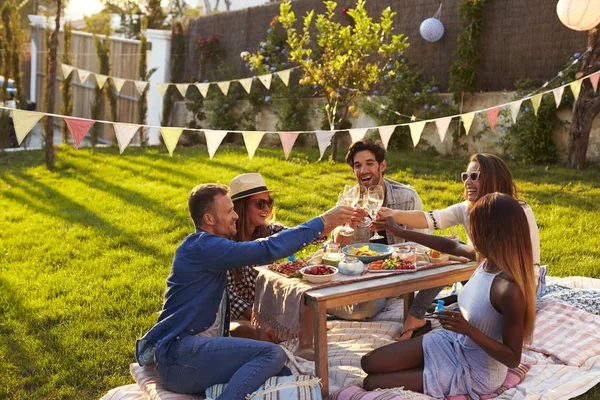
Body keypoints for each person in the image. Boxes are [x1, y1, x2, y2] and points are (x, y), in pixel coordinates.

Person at [135, 183, 360, 399]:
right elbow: (267, 248)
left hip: (191, 358)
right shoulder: (202, 246)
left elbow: (282, 239)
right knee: (273, 354)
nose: (235, 216)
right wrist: (323, 220)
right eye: (230, 211)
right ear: (209, 219)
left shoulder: (208, 246)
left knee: (283, 372)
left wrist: (329, 226)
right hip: (180, 358)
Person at [361, 193, 537, 399]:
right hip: (454, 342)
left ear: (493, 234)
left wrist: (468, 330)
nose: (471, 232)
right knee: (369, 362)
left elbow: (512, 358)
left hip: (477, 372)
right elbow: (450, 245)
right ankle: (426, 367)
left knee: (371, 383)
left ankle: (428, 371)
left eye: (476, 227)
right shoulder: (486, 258)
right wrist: (398, 230)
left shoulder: (509, 289)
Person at [377, 153, 541, 341]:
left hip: (518, 284)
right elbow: (432, 220)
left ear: (493, 178)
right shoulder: (468, 208)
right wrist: (394, 217)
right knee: (446, 252)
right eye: (465, 176)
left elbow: (526, 268)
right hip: (484, 272)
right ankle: (419, 314)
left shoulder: (517, 212)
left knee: (453, 253)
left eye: (474, 176)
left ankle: (424, 313)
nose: (467, 182)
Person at [226, 173, 330, 343]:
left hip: (270, 309)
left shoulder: (269, 232)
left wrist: (333, 222)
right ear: (241, 207)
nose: (266, 209)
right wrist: (261, 322)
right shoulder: (226, 243)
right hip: (239, 316)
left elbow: (300, 235)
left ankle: (299, 342)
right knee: (247, 330)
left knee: (305, 297)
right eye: (260, 204)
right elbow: (229, 298)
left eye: (269, 202)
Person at [334, 139, 423, 246]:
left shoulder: (408, 197)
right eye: (358, 166)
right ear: (353, 170)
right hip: (360, 261)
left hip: (398, 260)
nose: (363, 170)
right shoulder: (348, 200)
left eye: (369, 163)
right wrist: (350, 226)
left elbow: (418, 243)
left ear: (382, 166)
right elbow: (337, 244)